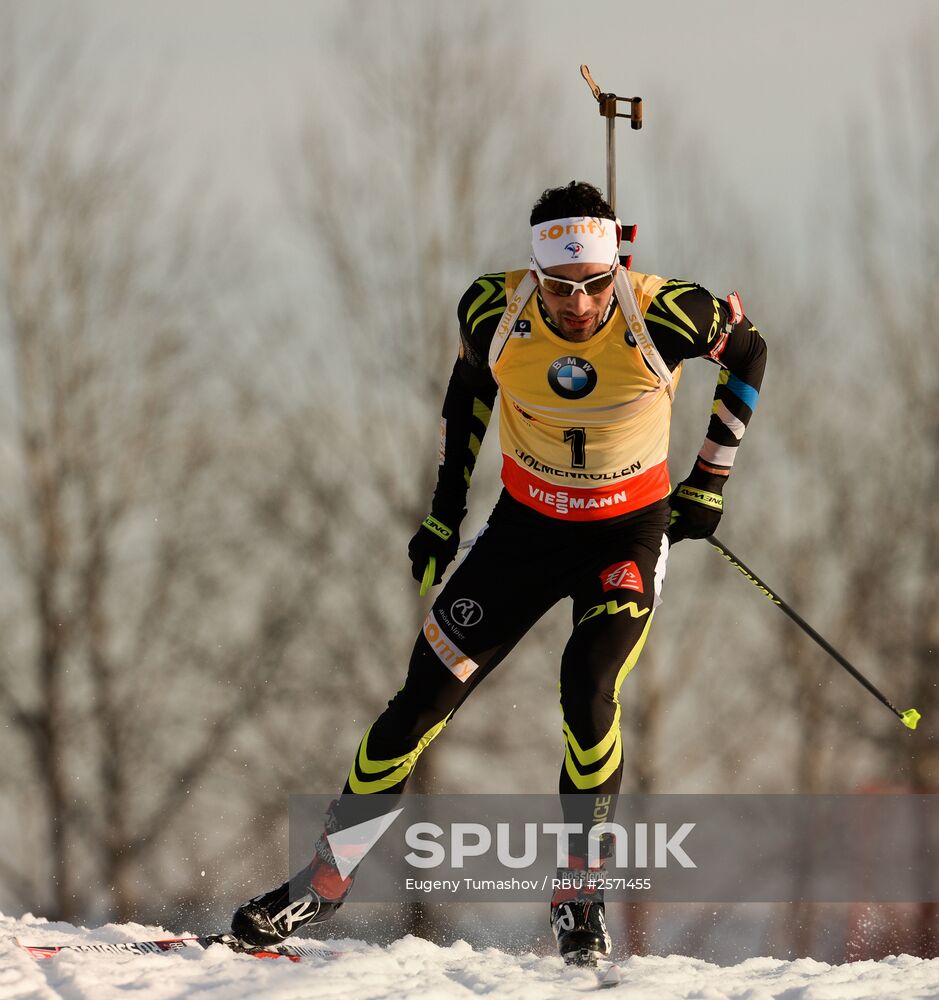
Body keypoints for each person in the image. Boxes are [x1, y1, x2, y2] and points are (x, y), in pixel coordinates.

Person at [232, 181, 767, 965]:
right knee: (418, 705)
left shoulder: (664, 311)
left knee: (587, 685)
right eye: (558, 288)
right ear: (535, 274)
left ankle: (579, 895)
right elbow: (467, 399)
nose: (576, 306)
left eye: (591, 287)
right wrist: (444, 514)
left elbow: (750, 350)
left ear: (614, 266)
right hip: (525, 529)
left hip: (624, 529)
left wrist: (709, 481)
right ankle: (324, 880)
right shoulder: (492, 310)